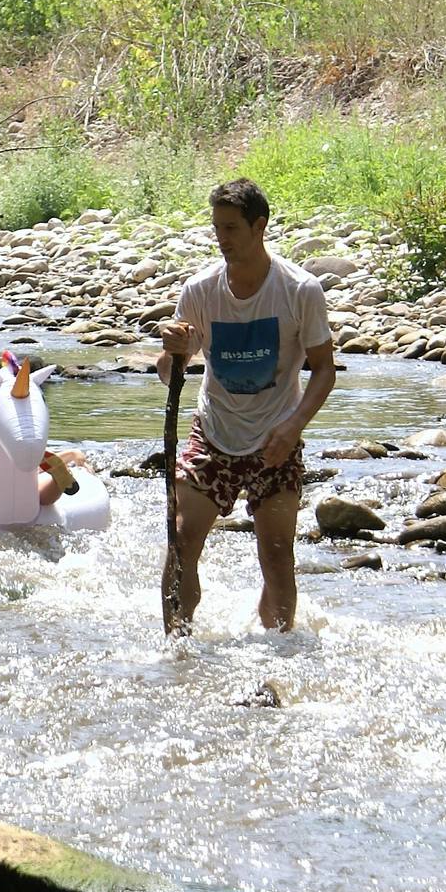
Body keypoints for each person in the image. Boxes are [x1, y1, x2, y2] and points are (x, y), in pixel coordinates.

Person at [156, 177, 337, 633]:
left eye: (232, 228)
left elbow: (325, 369)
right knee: (180, 542)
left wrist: (294, 426)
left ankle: (279, 651)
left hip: (276, 437)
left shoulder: (300, 290)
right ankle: (176, 645)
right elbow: (167, 375)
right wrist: (174, 351)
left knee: (277, 557)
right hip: (213, 432)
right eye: (217, 227)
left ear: (260, 226)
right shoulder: (200, 291)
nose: (222, 239)